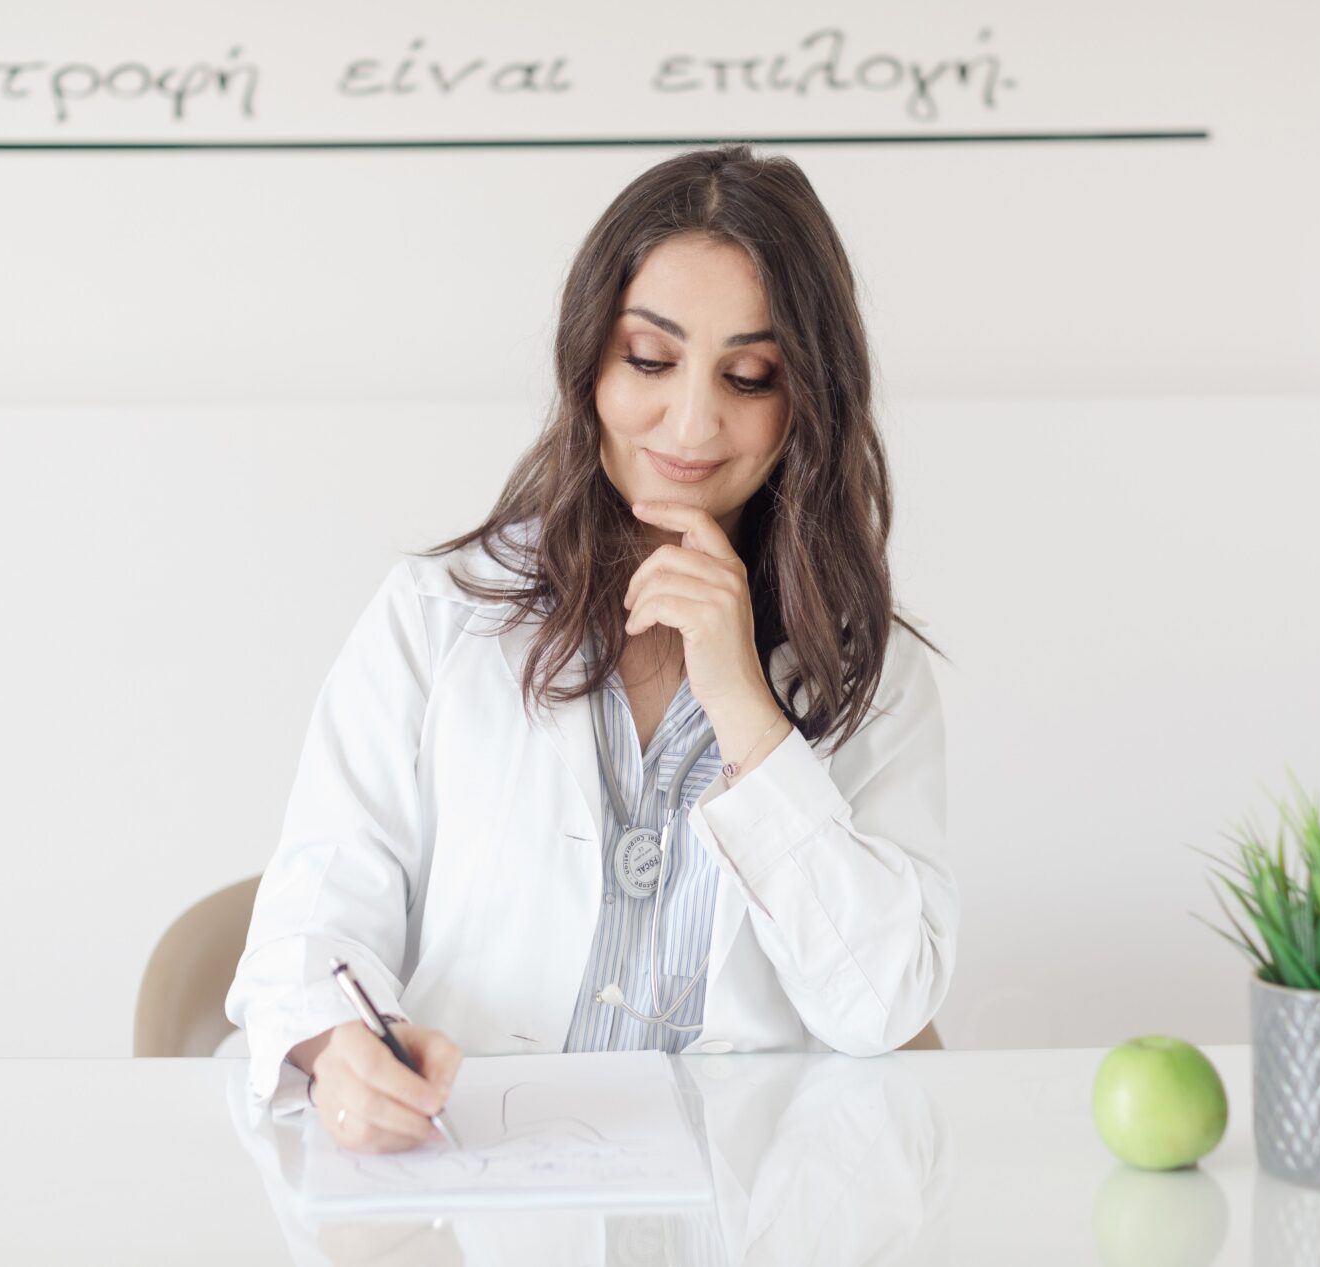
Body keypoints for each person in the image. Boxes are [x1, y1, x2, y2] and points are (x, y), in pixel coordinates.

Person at [226, 143, 958, 1155]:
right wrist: (338, 1046)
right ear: (588, 360)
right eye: (650, 360)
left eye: (750, 376)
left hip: (751, 1215)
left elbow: (882, 1006)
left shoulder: (872, 673)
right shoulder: (437, 616)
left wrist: (749, 708)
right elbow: (308, 932)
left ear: (808, 406)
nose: (692, 421)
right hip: (478, 1190)